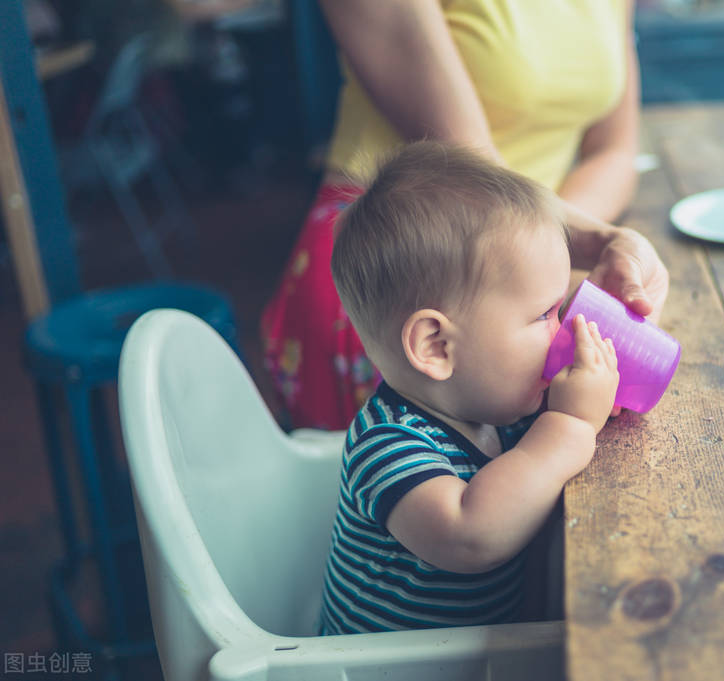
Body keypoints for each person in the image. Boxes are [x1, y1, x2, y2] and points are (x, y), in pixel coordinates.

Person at [261, 0, 669, 430]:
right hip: (400, 273)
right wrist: (557, 256)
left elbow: (614, 152)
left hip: (526, 264)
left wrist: (561, 261)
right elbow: (472, 171)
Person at [319, 141, 619, 633]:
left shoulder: (495, 405)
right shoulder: (388, 445)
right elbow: (470, 536)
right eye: (544, 315)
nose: (562, 330)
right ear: (436, 346)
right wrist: (569, 424)